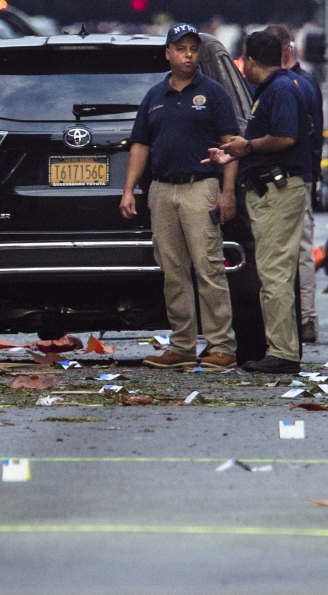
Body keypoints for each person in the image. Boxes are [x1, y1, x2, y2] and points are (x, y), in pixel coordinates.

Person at [121, 23, 240, 371]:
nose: (188, 55)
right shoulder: (155, 96)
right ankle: (182, 345)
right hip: (162, 189)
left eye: (193, 49)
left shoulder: (214, 93)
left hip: (201, 187)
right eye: (181, 49)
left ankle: (221, 346)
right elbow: (140, 144)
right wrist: (130, 189)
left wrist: (228, 192)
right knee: (173, 271)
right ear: (168, 54)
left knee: (208, 268)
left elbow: (231, 144)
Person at [205, 30, 311, 374]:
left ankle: (282, 352)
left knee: (275, 273)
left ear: (249, 60)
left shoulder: (279, 90)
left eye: (244, 60)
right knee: (274, 272)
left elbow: (284, 137)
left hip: (278, 190)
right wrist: (232, 152)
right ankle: (281, 348)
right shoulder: (278, 88)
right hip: (272, 189)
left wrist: (246, 147)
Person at [267, 24, 324, 343]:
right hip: (299, 175)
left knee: (290, 250)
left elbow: (312, 136)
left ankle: (302, 319)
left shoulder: (294, 84)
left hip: (290, 174)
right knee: (296, 250)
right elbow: (317, 137)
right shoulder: (304, 83)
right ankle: (305, 318)